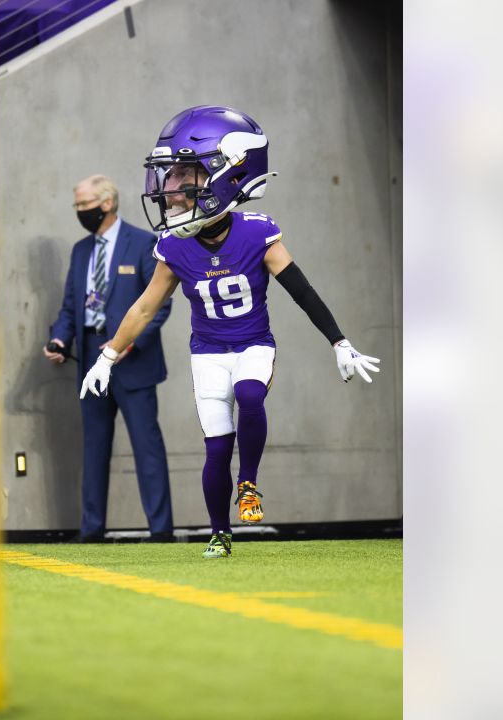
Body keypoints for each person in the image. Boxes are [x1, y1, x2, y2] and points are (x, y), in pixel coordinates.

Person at [79, 106, 381, 559]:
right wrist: (107, 355)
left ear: (228, 175)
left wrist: (339, 340)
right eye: (171, 177)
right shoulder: (174, 246)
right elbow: (144, 308)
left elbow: (302, 290)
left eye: (185, 177)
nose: (171, 191)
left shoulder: (257, 233)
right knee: (217, 445)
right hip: (207, 351)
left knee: (250, 395)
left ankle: (250, 484)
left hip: (253, 344)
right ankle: (220, 532)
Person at [45, 174, 175, 543]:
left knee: (147, 449)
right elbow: (71, 306)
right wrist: (59, 337)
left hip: (133, 362)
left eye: (83, 206)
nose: (79, 212)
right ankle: (91, 530)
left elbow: (160, 306)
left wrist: (128, 343)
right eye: (77, 207)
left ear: (106, 204)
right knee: (95, 449)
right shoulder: (80, 251)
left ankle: (161, 531)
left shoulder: (143, 243)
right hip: (90, 361)